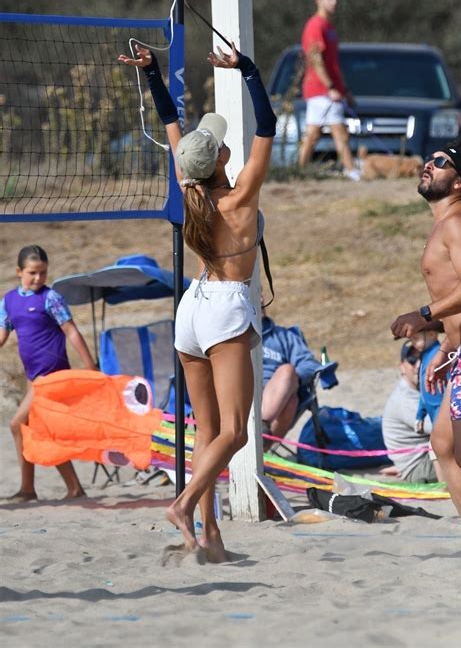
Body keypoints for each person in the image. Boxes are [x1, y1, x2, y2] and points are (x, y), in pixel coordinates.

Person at [118, 42, 276, 562]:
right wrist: (248, 69)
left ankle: (211, 536)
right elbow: (268, 126)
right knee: (233, 431)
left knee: (208, 432)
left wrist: (154, 74)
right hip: (225, 306)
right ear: (222, 159)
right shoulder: (239, 195)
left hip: (192, 305)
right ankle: (184, 505)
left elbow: (170, 122)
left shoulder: (189, 184)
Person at [391, 137, 461, 547]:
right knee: (443, 444)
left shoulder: (458, 222)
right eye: (429, 158)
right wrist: (444, 346)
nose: (429, 163)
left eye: (441, 163)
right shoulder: (444, 224)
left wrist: (423, 315)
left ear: (458, 183)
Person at [0, 245, 97, 502]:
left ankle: (28, 488)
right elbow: (1, 336)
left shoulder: (50, 298)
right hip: (34, 378)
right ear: (19, 271)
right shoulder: (9, 300)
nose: (38, 278)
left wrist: (90, 366)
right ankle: (72, 488)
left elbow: (71, 331)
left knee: (18, 424)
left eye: (43, 273)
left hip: (52, 376)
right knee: (41, 430)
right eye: (32, 273)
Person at [298, 0, 359, 180]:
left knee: (313, 134)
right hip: (320, 90)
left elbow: (333, 64)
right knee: (339, 130)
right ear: (319, 0)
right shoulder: (315, 26)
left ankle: (299, 171)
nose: (334, 2)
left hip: (329, 90)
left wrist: (345, 89)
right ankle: (351, 171)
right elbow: (315, 60)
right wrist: (330, 87)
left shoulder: (329, 27)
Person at [261, 309, 320, 445]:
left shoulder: (284, 336)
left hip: (276, 392)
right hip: (244, 392)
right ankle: (260, 434)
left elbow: (309, 364)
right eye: (256, 292)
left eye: (261, 293)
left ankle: (262, 437)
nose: (261, 298)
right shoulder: (235, 336)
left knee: (289, 383)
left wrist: (290, 380)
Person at [382, 342, 438, 483]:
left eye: (424, 358)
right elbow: (439, 429)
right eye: (412, 360)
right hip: (419, 468)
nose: (419, 365)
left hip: (418, 460)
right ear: (402, 367)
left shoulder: (419, 391)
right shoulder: (405, 399)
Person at [410, 330, 445, 433]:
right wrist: (420, 415)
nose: (413, 343)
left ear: (432, 334)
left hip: (442, 409)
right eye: (411, 339)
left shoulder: (440, 356)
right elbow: (425, 389)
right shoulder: (425, 357)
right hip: (432, 409)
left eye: (416, 338)